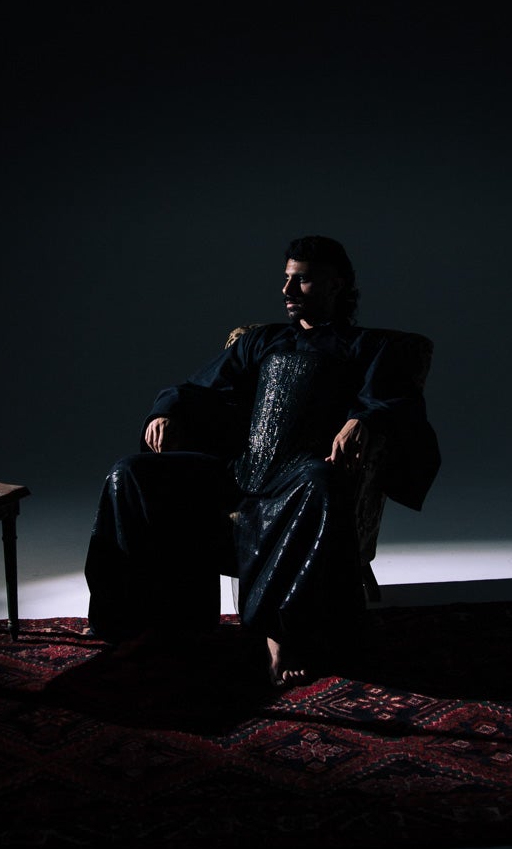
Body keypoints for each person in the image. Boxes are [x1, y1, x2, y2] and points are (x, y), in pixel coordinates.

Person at [84, 236, 440, 687]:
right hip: (239, 470)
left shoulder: (368, 346)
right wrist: (165, 411)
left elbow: (393, 401)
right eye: (286, 279)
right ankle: (141, 621)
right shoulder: (262, 340)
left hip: (300, 476)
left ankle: (281, 633)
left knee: (321, 480)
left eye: (302, 280)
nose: (287, 290)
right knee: (130, 473)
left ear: (337, 285)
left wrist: (362, 421)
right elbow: (197, 387)